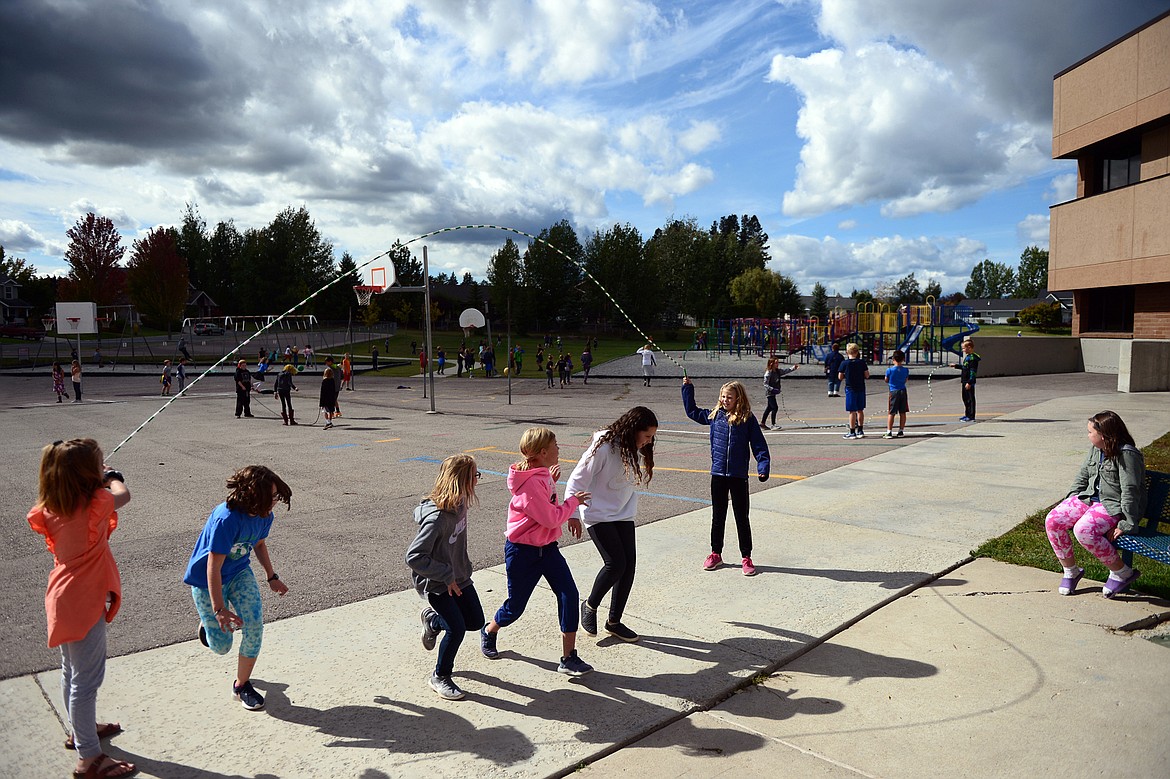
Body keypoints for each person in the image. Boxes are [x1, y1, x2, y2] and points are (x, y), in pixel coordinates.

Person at [28, 439, 135, 779]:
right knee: (86, 682)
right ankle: (89, 758)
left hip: (62, 596)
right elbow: (123, 494)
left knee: (71, 672)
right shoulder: (97, 503)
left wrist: (95, 477)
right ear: (89, 474)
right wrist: (113, 475)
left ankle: (80, 731)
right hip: (84, 600)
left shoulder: (50, 506)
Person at [480, 427, 594, 675]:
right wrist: (573, 501)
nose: (559, 449)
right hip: (523, 553)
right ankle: (490, 630)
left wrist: (550, 480)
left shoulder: (540, 476)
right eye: (556, 445)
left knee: (569, 595)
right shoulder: (531, 485)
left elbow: (545, 501)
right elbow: (551, 518)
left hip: (548, 550)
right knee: (515, 607)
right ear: (543, 452)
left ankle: (569, 657)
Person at [184, 465, 292, 711]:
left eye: (277, 496)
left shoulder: (265, 516)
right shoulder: (227, 519)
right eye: (271, 496)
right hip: (208, 581)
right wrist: (219, 608)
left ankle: (241, 685)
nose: (275, 502)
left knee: (254, 627)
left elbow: (260, 544)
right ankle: (208, 627)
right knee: (222, 647)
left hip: (240, 573)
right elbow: (213, 566)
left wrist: (271, 576)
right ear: (253, 495)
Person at [566, 407, 657, 643]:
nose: (649, 442)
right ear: (633, 430)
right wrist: (573, 512)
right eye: (646, 436)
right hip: (597, 514)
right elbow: (578, 478)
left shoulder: (631, 447)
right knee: (615, 563)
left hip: (622, 513)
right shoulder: (604, 448)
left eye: (651, 438)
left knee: (629, 566)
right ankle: (590, 605)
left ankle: (614, 622)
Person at [405, 454, 485, 701]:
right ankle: (440, 676)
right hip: (437, 583)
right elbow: (414, 556)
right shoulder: (438, 518)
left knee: (474, 621)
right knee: (457, 629)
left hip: (459, 577)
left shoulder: (460, 503)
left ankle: (432, 621)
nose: (477, 480)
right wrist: (445, 574)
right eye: (475, 476)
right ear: (462, 480)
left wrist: (461, 567)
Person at [1044, 411, 1147, 598]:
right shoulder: (1096, 449)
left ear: (1104, 435)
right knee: (1053, 520)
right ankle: (1071, 571)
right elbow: (1083, 475)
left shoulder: (1126, 454)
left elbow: (1131, 490)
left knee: (1083, 530)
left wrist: (1128, 523)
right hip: (1089, 498)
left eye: (1090, 432)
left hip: (1111, 505)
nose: (1088, 435)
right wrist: (1071, 497)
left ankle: (1121, 572)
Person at [681, 378, 770, 576]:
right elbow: (692, 411)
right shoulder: (714, 416)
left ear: (738, 398)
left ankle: (746, 557)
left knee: (741, 517)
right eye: (722, 396)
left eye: (729, 397)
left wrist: (763, 466)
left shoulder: (747, 419)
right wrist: (687, 388)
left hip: (738, 476)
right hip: (718, 475)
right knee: (718, 516)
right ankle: (716, 554)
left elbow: (759, 445)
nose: (725, 400)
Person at [839, 342, 870, 439]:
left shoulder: (844, 363)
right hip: (860, 387)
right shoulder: (861, 362)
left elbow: (840, 377)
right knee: (860, 410)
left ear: (847, 352)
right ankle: (860, 430)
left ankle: (852, 431)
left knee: (852, 411)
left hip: (850, 388)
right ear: (857, 352)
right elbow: (867, 375)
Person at [761, 358, 797, 430]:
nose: (777, 364)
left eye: (778, 363)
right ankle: (773, 424)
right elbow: (765, 384)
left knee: (769, 408)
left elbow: (785, 371)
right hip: (770, 393)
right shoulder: (768, 372)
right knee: (775, 407)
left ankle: (762, 423)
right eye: (776, 363)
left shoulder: (777, 371)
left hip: (774, 393)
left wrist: (793, 368)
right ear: (771, 364)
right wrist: (772, 389)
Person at [950, 338, 981, 421]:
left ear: (969, 347)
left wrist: (970, 382)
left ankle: (971, 416)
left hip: (968, 382)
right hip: (964, 381)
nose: (963, 350)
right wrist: (956, 366)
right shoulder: (968, 357)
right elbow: (965, 368)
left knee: (970, 399)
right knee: (965, 398)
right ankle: (967, 414)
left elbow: (972, 371)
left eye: (964, 348)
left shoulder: (973, 359)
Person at [884, 349, 910, 438]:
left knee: (891, 412)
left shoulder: (889, 370)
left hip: (893, 391)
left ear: (894, 359)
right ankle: (901, 430)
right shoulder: (906, 370)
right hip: (903, 390)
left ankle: (889, 431)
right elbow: (906, 380)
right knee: (903, 412)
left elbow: (886, 380)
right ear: (903, 359)